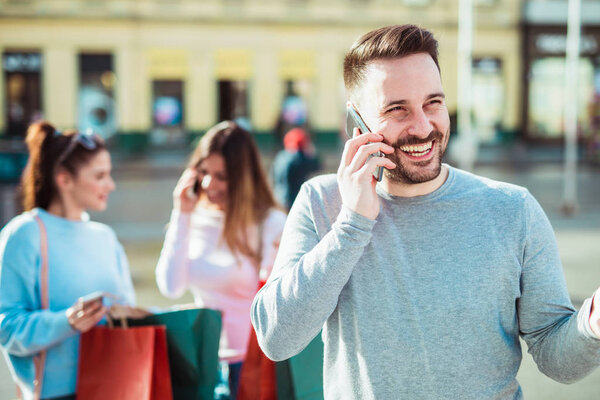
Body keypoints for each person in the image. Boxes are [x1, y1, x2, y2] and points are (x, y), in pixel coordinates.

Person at [251, 24, 600, 399]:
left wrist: (594, 323)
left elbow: (557, 358)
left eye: (433, 103)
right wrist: (351, 225)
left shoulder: (514, 210)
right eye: (397, 109)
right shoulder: (321, 203)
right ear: (356, 122)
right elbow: (277, 339)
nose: (423, 127)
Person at [0, 121, 136, 400]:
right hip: (55, 394)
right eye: (100, 176)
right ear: (64, 179)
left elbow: (127, 311)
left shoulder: (105, 237)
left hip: (118, 387)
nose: (110, 185)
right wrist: (67, 321)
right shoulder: (24, 234)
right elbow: (6, 326)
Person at [155, 121, 286, 398]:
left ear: (243, 177)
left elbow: (281, 308)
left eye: (221, 176)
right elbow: (170, 286)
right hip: (199, 364)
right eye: (203, 172)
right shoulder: (193, 218)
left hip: (252, 366)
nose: (208, 184)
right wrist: (182, 213)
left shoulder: (270, 223)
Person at [272, 127, 320, 211]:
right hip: (293, 200)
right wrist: (311, 152)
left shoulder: (280, 156)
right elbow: (316, 166)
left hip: (279, 197)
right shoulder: (300, 158)